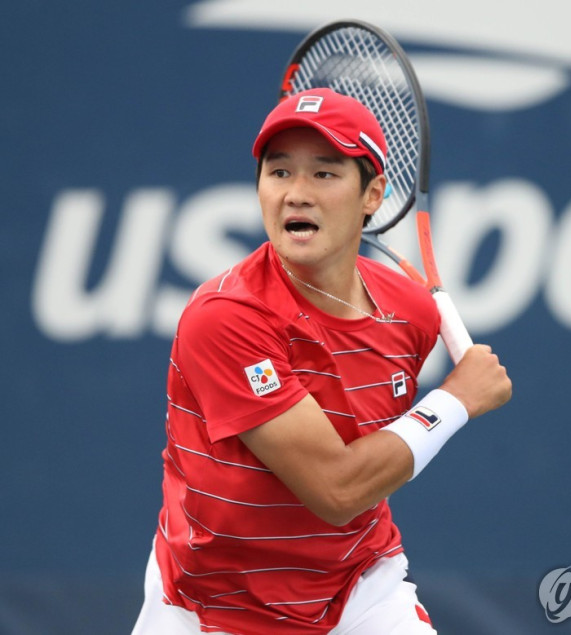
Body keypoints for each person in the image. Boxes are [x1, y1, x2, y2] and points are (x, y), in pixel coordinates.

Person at [132, 87, 511, 635]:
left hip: (359, 588)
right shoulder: (225, 318)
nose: (295, 194)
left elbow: (372, 458)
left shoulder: (409, 310)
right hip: (214, 607)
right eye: (279, 172)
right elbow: (337, 490)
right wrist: (454, 401)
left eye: (324, 174)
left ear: (372, 194)